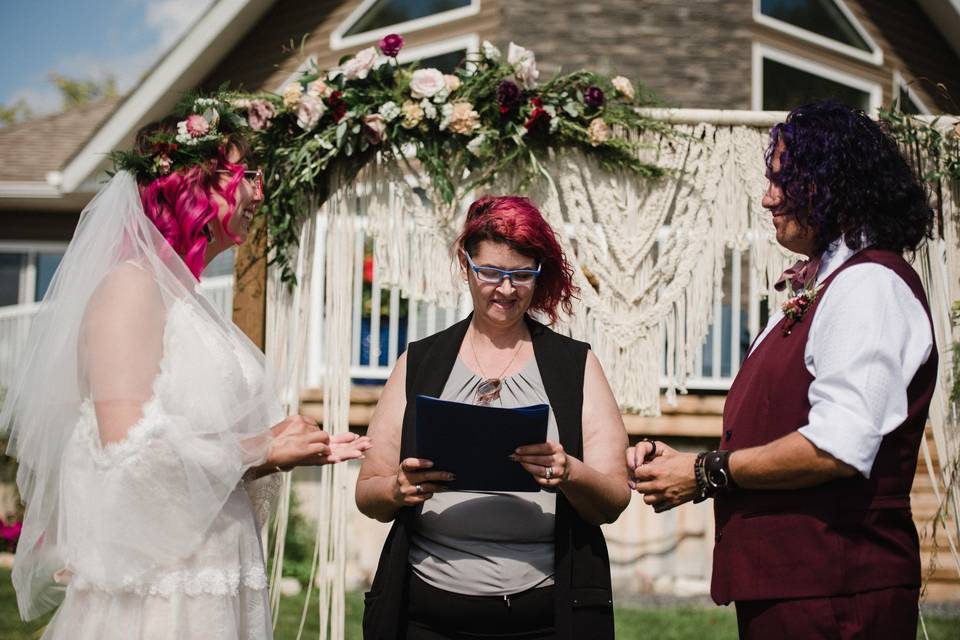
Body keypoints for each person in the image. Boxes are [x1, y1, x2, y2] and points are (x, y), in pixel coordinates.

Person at [0, 95, 370, 640]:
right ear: (195, 185)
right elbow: (126, 449)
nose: (257, 192)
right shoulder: (130, 288)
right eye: (247, 175)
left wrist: (283, 445)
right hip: (162, 593)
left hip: (214, 569)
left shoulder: (185, 299)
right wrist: (262, 446)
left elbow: (196, 444)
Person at [627, 100, 937, 639]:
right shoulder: (827, 286)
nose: (768, 197)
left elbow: (838, 445)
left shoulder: (869, 286)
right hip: (799, 589)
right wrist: (683, 464)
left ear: (834, 186)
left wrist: (705, 473)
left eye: (783, 181)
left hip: (837, 591)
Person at [355, 196, 630, 640]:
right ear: (466, 265)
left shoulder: (575, 366)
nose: (506, 288)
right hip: (427, 617)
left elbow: (614, 498)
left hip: (545, 617)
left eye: (522, 275)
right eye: (491, 273)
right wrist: (397, 488)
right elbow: (367, 493)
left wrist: (568, 472)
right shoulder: (420, 362)